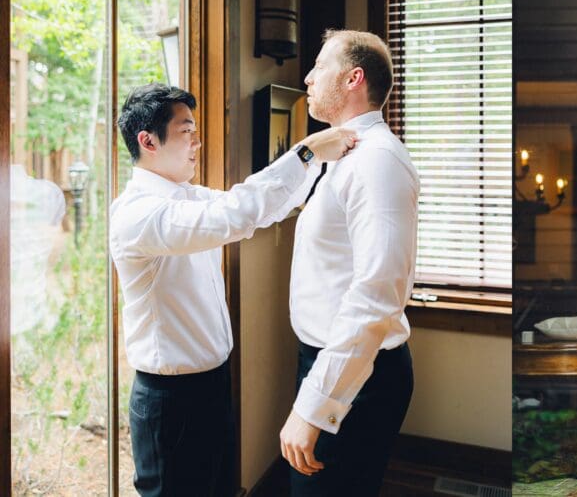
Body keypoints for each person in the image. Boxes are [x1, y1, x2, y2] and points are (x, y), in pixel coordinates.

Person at [110, 83, 357, 497]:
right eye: (186, 131)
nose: (197, 142)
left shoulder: (187, 197)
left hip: (211, 387)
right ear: (147, 140)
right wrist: (307, 151)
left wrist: (314, 162)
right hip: (171, 403)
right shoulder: (138, 215)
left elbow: (261, 209)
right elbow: (236, 215)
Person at [277, 30, 420, 496]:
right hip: (329, 361)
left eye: (320, 66)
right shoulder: (338, 154)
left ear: (354, 77)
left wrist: (313, 407)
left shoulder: (377, 162)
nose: (308, 76)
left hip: (359, 377)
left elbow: (377, 293)